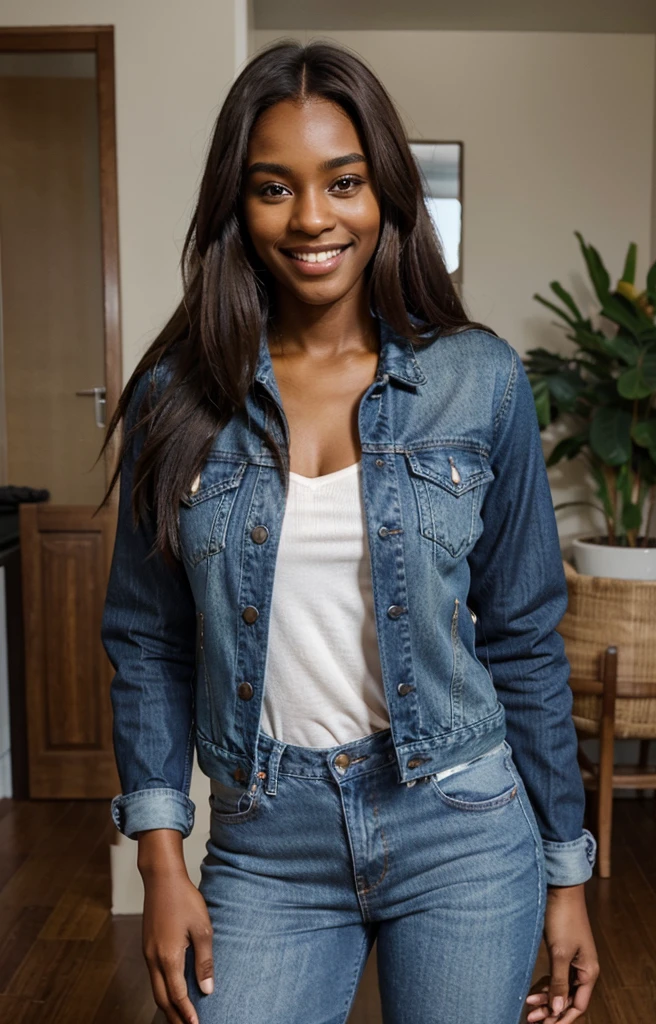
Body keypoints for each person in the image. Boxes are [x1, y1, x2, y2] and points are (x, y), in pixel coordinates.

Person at [99, 38, 599, 1024]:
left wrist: (567, 876)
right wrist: (162, 856)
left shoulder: (479, 380)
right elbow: (146, 638)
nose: (313, 217)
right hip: (266, 838)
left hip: (460, 820)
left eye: (344, 181)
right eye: (274, 187)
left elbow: (525, 639)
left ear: (387, 196)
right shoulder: (176, 396)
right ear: (237, 209)